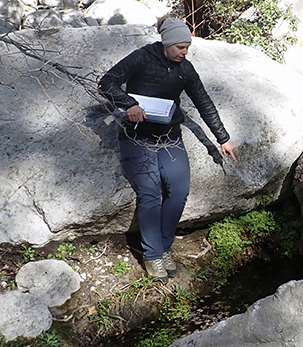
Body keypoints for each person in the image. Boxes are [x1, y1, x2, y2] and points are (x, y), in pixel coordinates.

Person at [98, 16, 237, 281]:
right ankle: (152, 256)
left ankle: (162, 247)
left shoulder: (186, 69)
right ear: (167, 43)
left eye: (187, 48)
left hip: (170, 137)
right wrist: (129, 104)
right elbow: (107, 82)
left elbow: (204, 102)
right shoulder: (142, 58)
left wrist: (223, 138)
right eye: (180, 48)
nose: (184, 53)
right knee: (150, 192)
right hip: (137, 137)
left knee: (179, 189)